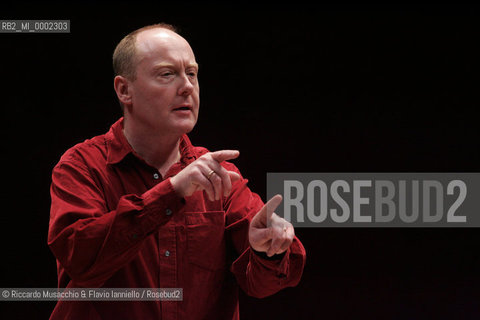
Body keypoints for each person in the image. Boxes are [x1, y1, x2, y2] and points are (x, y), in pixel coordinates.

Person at [48, 23, 306, 320]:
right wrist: (172, 191)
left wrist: (268, 249)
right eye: (167, 74)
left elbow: (262, 284)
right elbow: (80, 258)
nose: (186, 86)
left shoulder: (221, 176)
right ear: (124, 90)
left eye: (192, 73)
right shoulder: (81, 166)